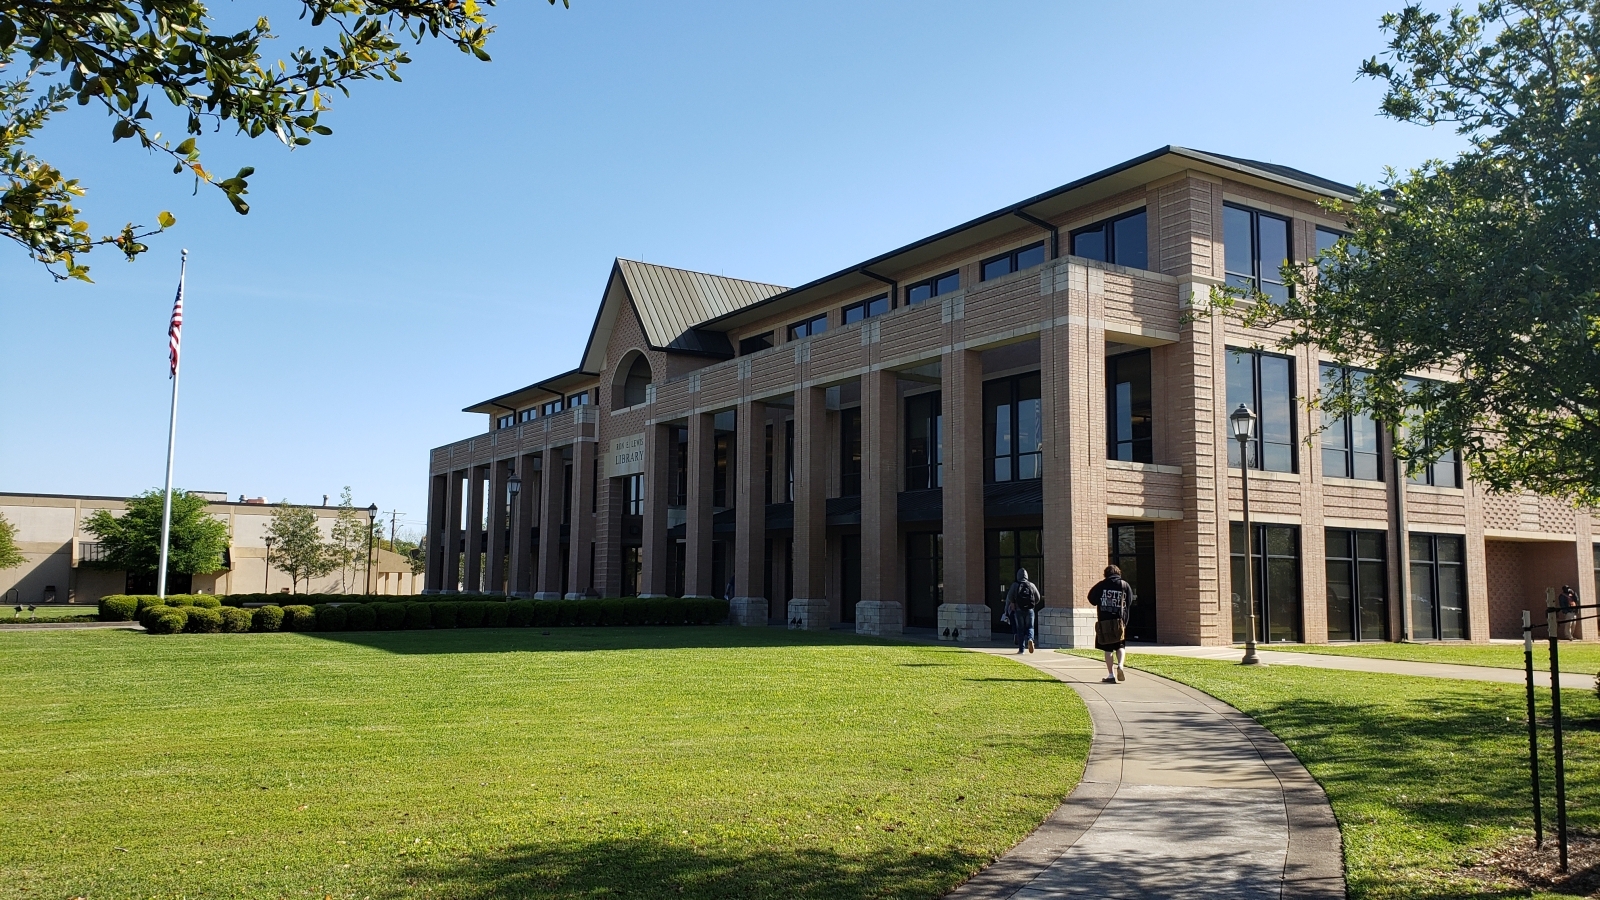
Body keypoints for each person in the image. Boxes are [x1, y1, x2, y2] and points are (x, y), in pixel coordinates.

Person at [1088, 565, 1133, 684]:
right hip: (1119, 621)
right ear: (1118, 573)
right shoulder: (1124, 585)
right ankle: (1121, 665)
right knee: (1120, 646)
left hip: (1104, 622)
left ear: (1106, 574)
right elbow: (1129, 603)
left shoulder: (1101, 585)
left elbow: (1091, 598)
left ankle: (1111, 675)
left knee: (1108, 649)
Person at [1005, 568, 1041, 654]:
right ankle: (1030, 639)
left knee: (1020, 629)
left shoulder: (1015, 585)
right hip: (1030, 610)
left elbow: (1009, 596)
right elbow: (1038, 597)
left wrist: (1013, 602)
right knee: (1030, 627)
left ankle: (1021, 650)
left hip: (1018, 609)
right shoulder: (1031, 585)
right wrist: (1032, 604)